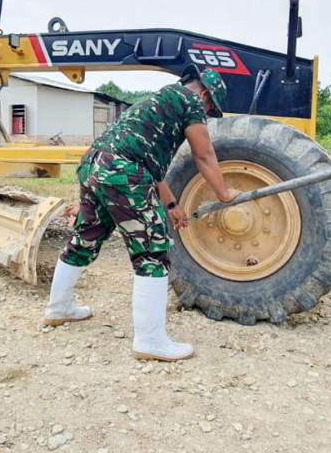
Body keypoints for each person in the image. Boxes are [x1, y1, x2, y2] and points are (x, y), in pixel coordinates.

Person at [42, 65, 241, 362]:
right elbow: (204, 154)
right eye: (210, 107)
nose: (207, 113)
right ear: (205, 94)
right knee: (153, 249)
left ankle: (58, 308)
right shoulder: (190, 102)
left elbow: (148, 162)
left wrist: (172, 205)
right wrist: (225, 193)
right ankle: (151, 340)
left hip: (95, 164)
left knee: (86, 237)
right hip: (122, 171)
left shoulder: (157, 101)